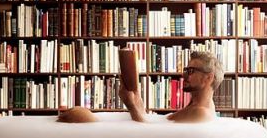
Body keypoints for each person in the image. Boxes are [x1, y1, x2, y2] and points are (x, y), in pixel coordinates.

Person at [57, 50, 223, 124]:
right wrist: (135, 97)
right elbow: (156, 125)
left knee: (79, 118)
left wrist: (130, 104)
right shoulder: (196, 106)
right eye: (185, 70)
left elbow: (151, 137)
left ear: (209, 77)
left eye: (191, 71)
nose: (184, 75)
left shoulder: (200, 112)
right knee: (75, 116)